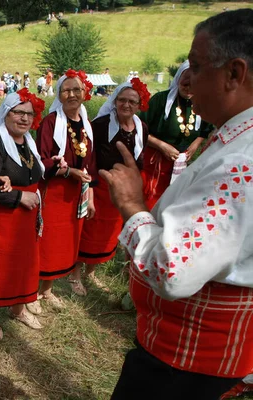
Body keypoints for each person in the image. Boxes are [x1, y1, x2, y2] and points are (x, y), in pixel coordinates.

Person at [103, 9, 253, 400]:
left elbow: (174, 270)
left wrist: (133, 206)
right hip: (188, 354)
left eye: (196, 65)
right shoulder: (235, 142)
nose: (186, 79)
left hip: (185, 364)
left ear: (234, 74)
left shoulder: (242, 162)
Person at [0, 88, 50, 339]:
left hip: (26, 219)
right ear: (6, 114)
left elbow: (34, 175)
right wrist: (18, 196)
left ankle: (18, 309)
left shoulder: (29, 142)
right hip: (2, 217)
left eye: (29, 114)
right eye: (18, 113)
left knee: (24, 264)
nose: (24, 118)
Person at [75, 78, 150, 293]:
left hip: (121, 192)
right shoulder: (99, 126)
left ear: (139, 105)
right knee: (90, 231)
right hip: (100, 188)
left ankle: (91, 273)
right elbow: (88, 158)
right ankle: (75, 275)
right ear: (115, 101)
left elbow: (140, 159)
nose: (126, 105)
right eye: (122, 100)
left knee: (108, 235)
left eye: (132, 102)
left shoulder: (141, 128)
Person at [36, 69, 95, 305]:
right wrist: (69, 171)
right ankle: (35, 291)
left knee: (66, 240)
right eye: (66, 90)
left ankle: (47, 289)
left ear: (84, 93)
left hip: (76, 193)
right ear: (59, 95)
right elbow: (42, 160)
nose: (72, 94)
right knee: (48, 240)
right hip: (55, 191)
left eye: (77, 89)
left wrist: (90, 196)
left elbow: (91, 162)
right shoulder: (50, 123)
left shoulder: (86, 124)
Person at [139, 60, 214, 209]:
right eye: (185, 85)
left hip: (181, 164)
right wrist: (162, 145)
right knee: (150, 203)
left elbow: (206, 128)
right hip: (155, 164)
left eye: (193, 86)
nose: (188, 89)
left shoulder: (200, 102)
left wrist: (196, 143)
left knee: (173, 203)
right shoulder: (161, 100)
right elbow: (140, 130)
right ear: (179, 79)